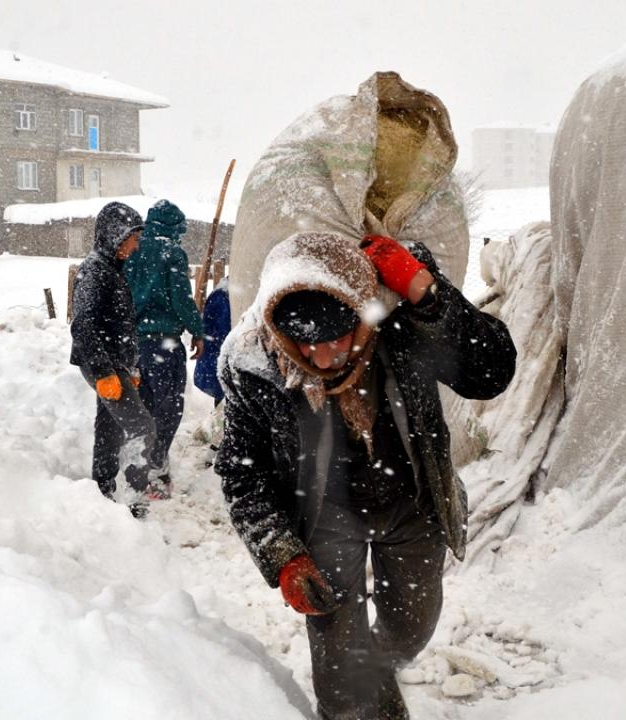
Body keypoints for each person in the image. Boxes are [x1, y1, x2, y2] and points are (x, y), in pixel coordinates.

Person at [215, 232, 516, 720]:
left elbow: (491, 371)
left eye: (337, 336)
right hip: (324, 513)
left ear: (364, 312)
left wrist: (425, 291)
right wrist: (283, 554)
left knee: (410, 627)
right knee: (338, 659)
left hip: (411, 499)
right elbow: (242, 473)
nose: (323, 357)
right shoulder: (253, 362)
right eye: (304, 343)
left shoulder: (398, 321)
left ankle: (375, 668)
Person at [69, 201, 157, 519]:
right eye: (132, 239)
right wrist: (105, 371)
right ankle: (136, 499)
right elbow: (83, 325)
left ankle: (101, 490)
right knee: (142, 427)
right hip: (100, 363)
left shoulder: (111, 269)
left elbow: (120, 324)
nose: (135, 247)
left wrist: (129, 367)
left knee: (109, 425)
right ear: (114, 236)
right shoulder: (94, 271)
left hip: (113, 362)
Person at [125, 199, 204, 499]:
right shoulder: (172, 252)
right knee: (169, 408)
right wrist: (197, 331)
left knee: (142, 406)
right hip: (164, 342)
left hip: (134, 343)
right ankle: (155, 470)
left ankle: (137, 467)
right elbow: (182, 299)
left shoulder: (132, 248)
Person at [193, 273, 231, 406]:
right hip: (219, 363)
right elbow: (223, 334)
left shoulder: (222, 294)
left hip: (216, 364)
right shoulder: (224, 296)